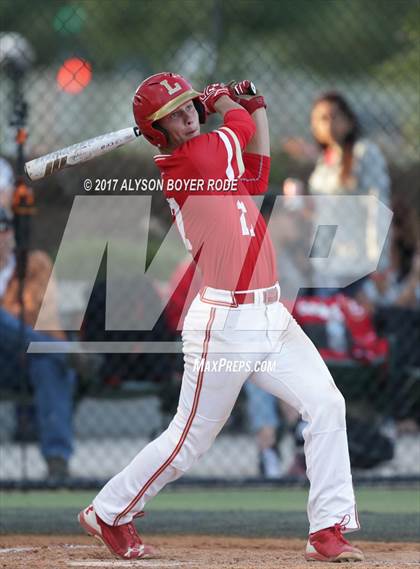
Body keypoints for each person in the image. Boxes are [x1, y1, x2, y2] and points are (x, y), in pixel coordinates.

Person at [78, 73, 364, 563]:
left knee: (327, 404)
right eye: (176, 112)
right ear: (156, 130)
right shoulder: (188, 158)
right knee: (190, 440)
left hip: (270, 314)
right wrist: (228, 101)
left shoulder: (211, 154)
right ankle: (109, 511)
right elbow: (237, 129)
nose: (188, 113)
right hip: (223, 325)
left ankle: (328, 529)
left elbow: (254, 174)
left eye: (190, 105)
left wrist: (255, 107)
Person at [0, 204, 76, 479]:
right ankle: (65, 353)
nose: (1, 235)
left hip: (30, 358)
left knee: (49, 364)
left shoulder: (35, 264)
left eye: (4, 228)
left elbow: (37, 311)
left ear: (12, 232)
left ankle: (57, 461)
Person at [308, 91, 391, 296]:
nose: (328, 124)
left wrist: (378, 264)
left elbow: (378, 208)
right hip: (328, 267)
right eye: (321, 118)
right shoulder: (323, 162)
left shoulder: (364, 153)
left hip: (359, 265)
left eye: (334, 116)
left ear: (349, 121)